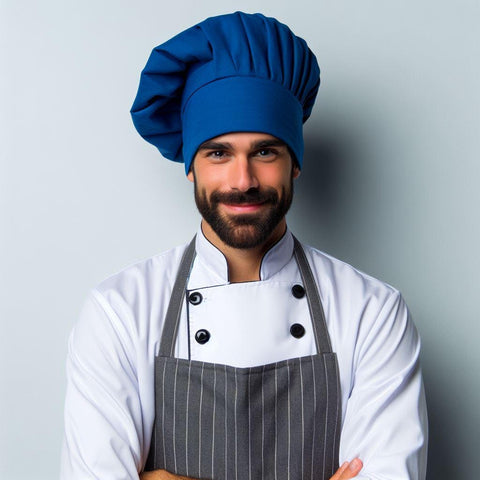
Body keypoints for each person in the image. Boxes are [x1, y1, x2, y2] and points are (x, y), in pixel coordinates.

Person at [60, 11, 428, 480]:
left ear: (294, 162)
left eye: (265, 151)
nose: (243, 180)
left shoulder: (373, 313)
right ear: (190, 166)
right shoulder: (118, 312)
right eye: (218, 153)